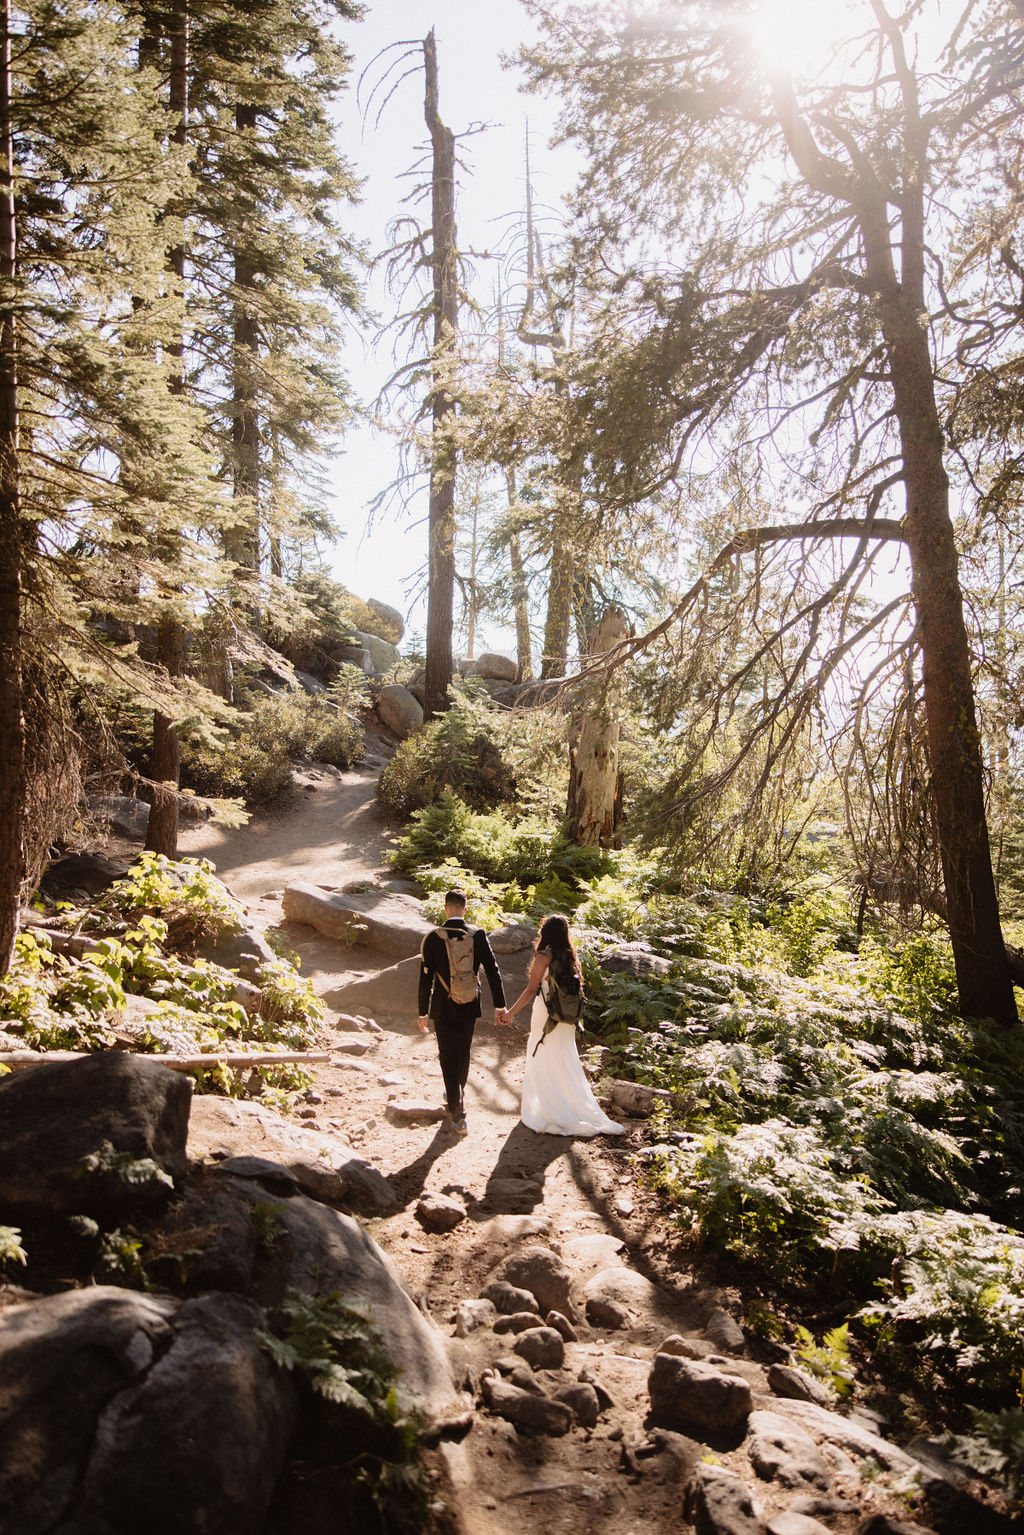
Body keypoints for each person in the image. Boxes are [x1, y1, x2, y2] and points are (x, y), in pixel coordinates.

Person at [503, 913, 623, 1138]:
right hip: (566, 1018)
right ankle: (568, 1106)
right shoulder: (570, 957)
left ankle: (548, 1109)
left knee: (541, 1055)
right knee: (564, 1058)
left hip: (546, 1013)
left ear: (546, 933)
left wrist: (510, 1013)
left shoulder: (544, 956)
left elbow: (531, 989)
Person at [417, 887, 507, 1136]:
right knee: (463, 1051)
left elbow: (425, 980)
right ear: (465, 910)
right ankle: (457, 1091)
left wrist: (422, 1012)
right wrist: (500, 1005)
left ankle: (457, 1112)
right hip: (470, 1003)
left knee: (447, 1055)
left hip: (442, 1007)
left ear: (445, 908)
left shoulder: (433, 938)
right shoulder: (476, 934)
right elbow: (492, 969)